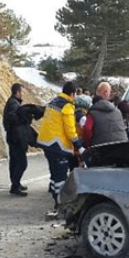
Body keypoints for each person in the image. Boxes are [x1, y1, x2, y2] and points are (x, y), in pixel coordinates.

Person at [37, 81, 85, 209]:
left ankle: (55, 198)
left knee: (54, 175)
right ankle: (61, 205)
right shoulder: (67, 106)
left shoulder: (53, 102)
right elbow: (70, 130)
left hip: (46, 144)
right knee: (60, 177)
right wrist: (79, 146)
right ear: (72, 93)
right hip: (58, 146)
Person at [82, 82, 128, 147]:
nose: (109, 95)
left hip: (102, 150)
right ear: (106, 92)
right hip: (122, 147)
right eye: (110, 92)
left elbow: (87, 129)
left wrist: (87, 145)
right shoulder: (118, 112)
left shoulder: (93, 113)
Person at [2, 83, 28, 196]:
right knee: (22, 163)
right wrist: (24, 119)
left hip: (12, 136)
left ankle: (15, 183)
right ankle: (15, 186)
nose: (22, 94)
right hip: (16, 137)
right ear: (17, 92)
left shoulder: (12, 102)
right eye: (21, 92)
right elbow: (14, 117)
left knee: (14, 161)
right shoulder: (14, 104)